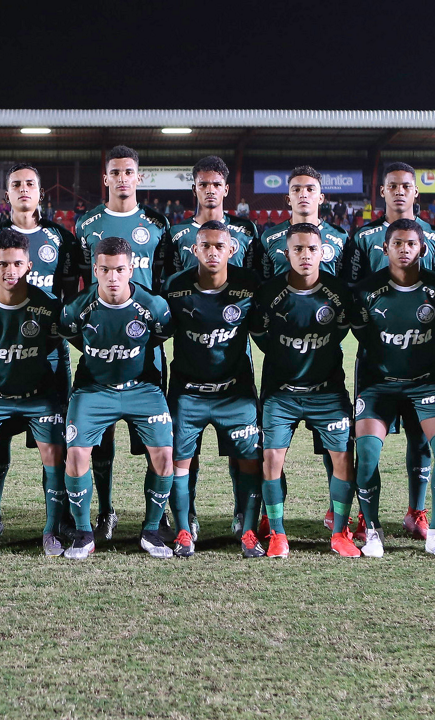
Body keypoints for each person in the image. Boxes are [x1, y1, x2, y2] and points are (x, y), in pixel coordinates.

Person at [342, 162, 435, 540]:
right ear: (383, 191)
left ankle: (416, 511)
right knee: (367, 441)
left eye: (406, 186)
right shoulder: (362, 238)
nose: (400, 191)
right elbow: (352, 292)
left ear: (415, 192)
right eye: (393, 186)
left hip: (422, 360)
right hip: (376, 359)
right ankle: (365, 515)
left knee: (422, 439)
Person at [0, 164, 78, 538]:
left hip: (50, 352)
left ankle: (59, 518)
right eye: (16, 184)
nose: (23, 189)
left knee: (56, 441)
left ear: (40, 192)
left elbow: (67, 297)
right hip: (2, 352)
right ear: (7, 195)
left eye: (30, 183)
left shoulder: (61, 238)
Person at [248, 223, 365, 558]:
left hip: (326, 391)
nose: (305, 255)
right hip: (281, 392)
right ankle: (278, 534)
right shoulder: (270, 293)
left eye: (312, 249)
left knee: (343, 458)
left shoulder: (338, 292)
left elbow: (342, 330)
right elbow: (261, 337)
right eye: (297, 249)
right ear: (286, 254)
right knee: (271, 458)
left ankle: (340, 533)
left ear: (322, 252)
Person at [74, 145, 172, 540]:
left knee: (154, 437)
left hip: (145, 345)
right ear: (106, 178)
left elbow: (163, 281)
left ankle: (157, 516)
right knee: (100, 434)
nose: (122, 178)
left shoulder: (157, 223)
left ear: (138, 177)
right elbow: (82, 284)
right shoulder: (87, 224)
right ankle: (105, 510)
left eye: (128, 171)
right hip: (101, 340)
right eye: (115, 172)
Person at [59, 235, 174, 560]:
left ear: (131, 269)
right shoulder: (76, 308)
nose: (113, 277)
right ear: (95, 270)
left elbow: (160, 335)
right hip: (94, 389)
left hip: (142, 388)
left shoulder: (154, 306)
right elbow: (72, 336)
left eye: (120, 270)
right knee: (76, 455)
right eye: (106, 270)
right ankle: (84, 534)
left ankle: (151, 530)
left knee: (165, 455)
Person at [351, 218, 435, 560]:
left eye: (411, 243)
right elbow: (362, 334)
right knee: (367, 454)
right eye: (397, 243)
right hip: (378, 385)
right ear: (385, 248)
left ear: (422, 249)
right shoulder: (365, 291)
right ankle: (373, 532)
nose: (404, 249)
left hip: (426, 381)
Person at [165, 156, 262, 536]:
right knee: (183, 453)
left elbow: (256, 304)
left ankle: (243, 516)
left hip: (235, 376)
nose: (209, 190)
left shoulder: (246, 235)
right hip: (189, 378)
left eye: (216, 184)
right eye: (203, 184)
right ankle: (185, 518)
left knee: (245, 452)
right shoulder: (176, 240)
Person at [0, 228, 67, 558]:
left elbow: (54, 344)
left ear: (29, 266)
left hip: (38, 396)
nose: (11, 271)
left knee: (55, 456)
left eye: (18, 264)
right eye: (3, 264)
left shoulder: (48, 307)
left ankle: (52, 531)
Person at [257, 166, 348, 280]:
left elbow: (344, 282)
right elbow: (264, 282)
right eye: (296, 190)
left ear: (321, 198)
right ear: (288, 199)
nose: (303, 195)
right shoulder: (269, 237)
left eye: (310, 189)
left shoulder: (340, 237)